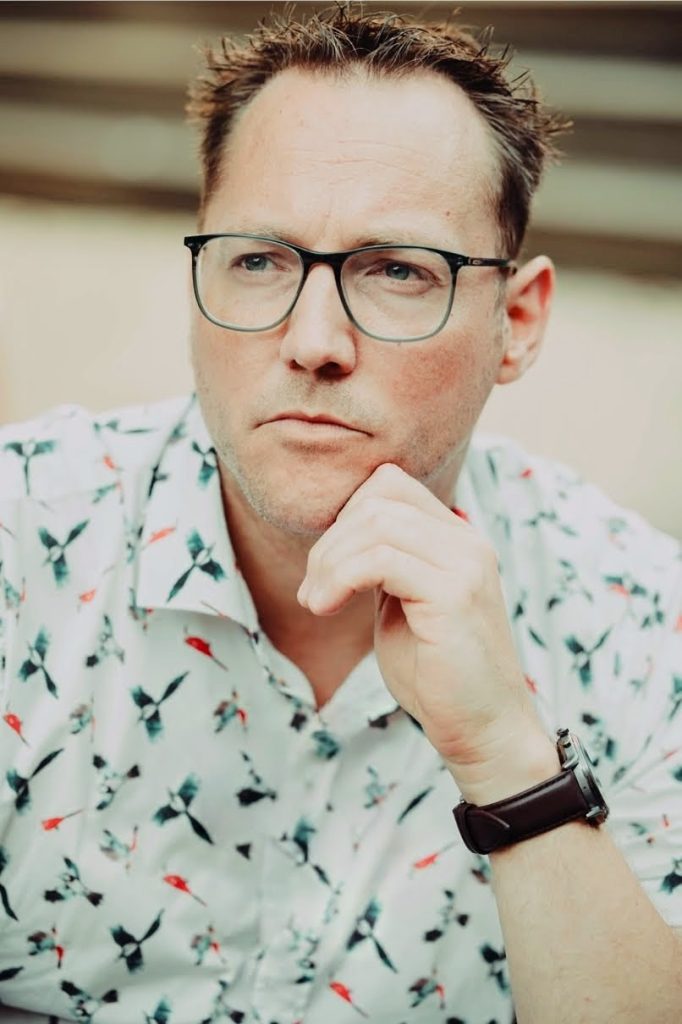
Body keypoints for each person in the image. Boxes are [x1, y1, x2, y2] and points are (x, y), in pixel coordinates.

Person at [0, 5, 680, 1023]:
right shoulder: (22, 543)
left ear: (517, 321)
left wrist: (510, 761)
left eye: (397, 270)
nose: (313, 340)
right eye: (259, 260)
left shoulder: (644, 628)